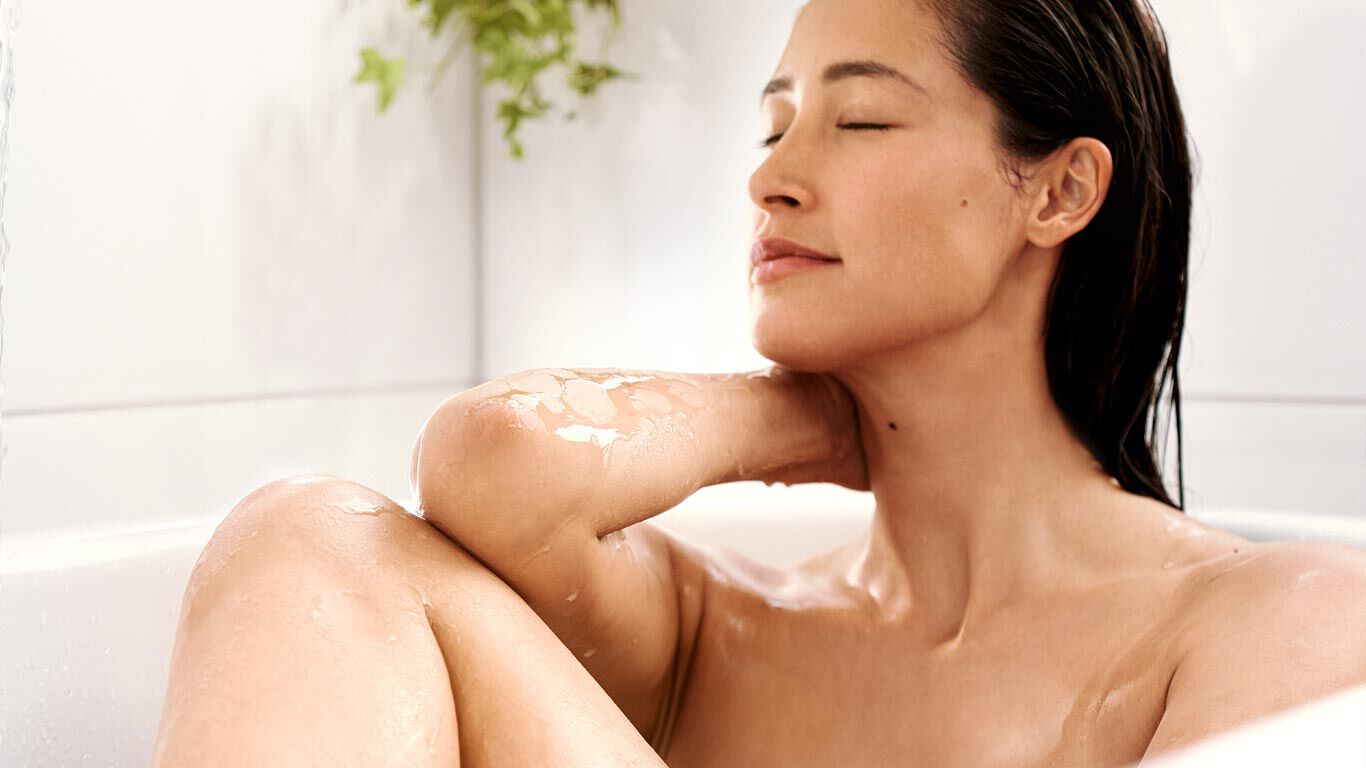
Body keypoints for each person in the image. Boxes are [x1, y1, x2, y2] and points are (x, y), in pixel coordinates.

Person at [152, 0, 1366, 765]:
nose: (771, 180)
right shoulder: (716, 631)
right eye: (772, 124)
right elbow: (491, 461)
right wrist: (792, 417)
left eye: (859, 123)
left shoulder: (1284, 616)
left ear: (1056, 191)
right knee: (307, 538)